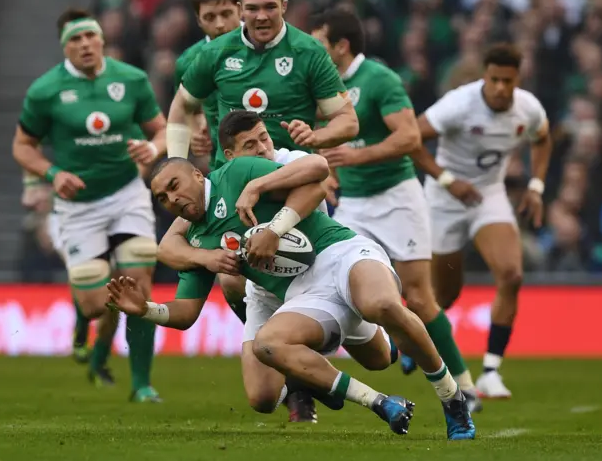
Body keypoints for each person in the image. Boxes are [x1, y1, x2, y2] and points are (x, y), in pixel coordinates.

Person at [107, 112, 476, 440]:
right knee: (268, 350)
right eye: (162, 198)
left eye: (174, 186)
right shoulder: (198, 238)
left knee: (380, 308)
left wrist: (272, 225)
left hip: (338, 254)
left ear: (196, 173)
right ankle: (380, 403)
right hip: (301, 294)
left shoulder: (237, 172)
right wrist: (145, 309)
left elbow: (317, 175)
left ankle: (452, 398)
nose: (172, 199)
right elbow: (186, 313)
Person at [158, 111, 399, 422]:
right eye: (250, 145)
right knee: (261, 398)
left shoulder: (291, 160)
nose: (261, 148)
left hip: (320, 276)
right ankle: (301, 381)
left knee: (381, 360)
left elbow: (317, 177)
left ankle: (331, 361)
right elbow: (168, 244)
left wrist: (268, 217)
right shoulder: (224, 184)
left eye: (264, 138)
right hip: (267, 290)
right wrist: (203, 258)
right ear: (230, 157)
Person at [309, 8, 481, 412]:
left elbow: (408, 137)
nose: (310, 52)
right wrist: (323, 170)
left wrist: (358, 156)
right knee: (343, 292)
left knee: (419, 297)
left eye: (318, 44)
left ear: (341, 46)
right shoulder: (321, 87)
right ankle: (319, 383)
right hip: (352, 203)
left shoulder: (379, 80)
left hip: (398, 197)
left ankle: (466, 387)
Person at [12, 7, 167, 402]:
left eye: (89, 36)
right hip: (78, 205)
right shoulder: (45, 91)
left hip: (126, 193)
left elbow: (161, 129)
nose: (84, 45)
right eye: (75, 40)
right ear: (65, 47)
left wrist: (151, 148)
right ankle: (87, 328)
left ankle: (142, 385)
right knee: (99, 303)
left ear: (101, 38)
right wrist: (52, 175)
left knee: (139, 286)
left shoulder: (131, 79)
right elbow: (22, 146)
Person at [411, 43, 552, 398]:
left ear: (517, 79)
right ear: (484, 77)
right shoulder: (459, 104)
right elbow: (412, 138)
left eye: (508, 80)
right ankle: (415, 336)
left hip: (488, 195)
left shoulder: (528, 107)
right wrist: (447, 180)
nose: (502, 88)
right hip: (444, 199)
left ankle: (491, 371)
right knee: (445, 296)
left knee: (511, 274)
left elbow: (543, 138)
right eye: (495, 80)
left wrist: (536, 186)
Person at [166, 0, 358, 160]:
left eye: (270, 7)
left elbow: (347, 120)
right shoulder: (215, 52)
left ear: (284, 6)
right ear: (241, 9)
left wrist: (315, 137)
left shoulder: (309, 52)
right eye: (252, 8)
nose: (262, 16)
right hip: (233, 174)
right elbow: (181, 106)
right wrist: (177, 162)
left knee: (316, 171)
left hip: (289, 171)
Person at [173, 0, 241, 171]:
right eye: (210, 17)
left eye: (226, 14)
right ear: (198, 20)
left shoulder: (264, 46)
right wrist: (195, 129)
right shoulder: (188, 62)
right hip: (221, 167)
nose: (219, 24)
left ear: (240, 10)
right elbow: (186, 109)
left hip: (278, 158)